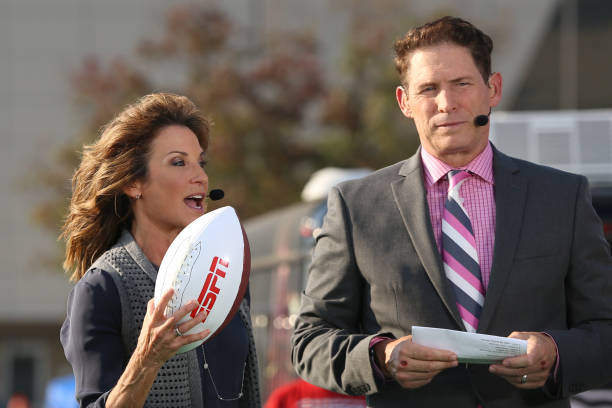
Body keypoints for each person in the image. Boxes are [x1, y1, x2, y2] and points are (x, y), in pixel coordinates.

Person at [291, 16, 612, 407]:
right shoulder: (355, 206)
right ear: (404, 102)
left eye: (461, 83)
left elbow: (605, 329)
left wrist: (555, 351)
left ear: (492, 89)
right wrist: (381, 357)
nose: (447, 103)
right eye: (428, 88)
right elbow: (309, 341)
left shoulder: (562, 197)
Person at [60, 93, 261, 408]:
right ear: (134, 184)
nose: (201, 177)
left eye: (201, 162)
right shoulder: (100, 290)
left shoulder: (230, 270)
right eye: (179, 162)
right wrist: (146, 359)